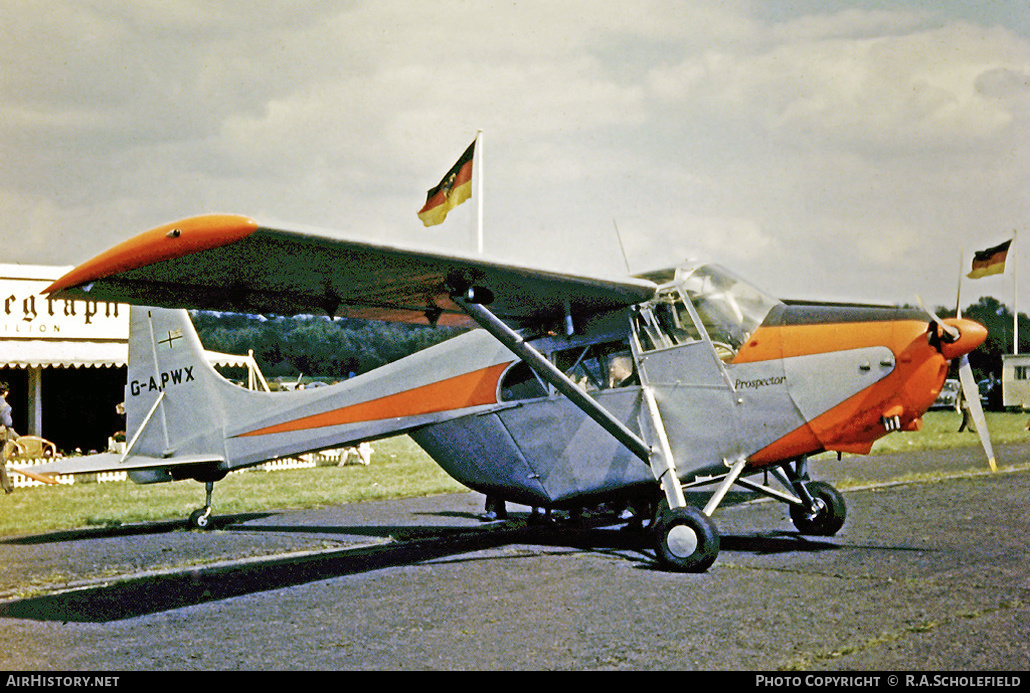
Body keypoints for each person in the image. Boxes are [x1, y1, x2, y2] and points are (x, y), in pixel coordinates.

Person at [0, 382, 16, 494]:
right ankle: (6, 487)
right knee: (0, 461)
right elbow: (8, 422)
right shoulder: (4, 406)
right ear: (6, 392)